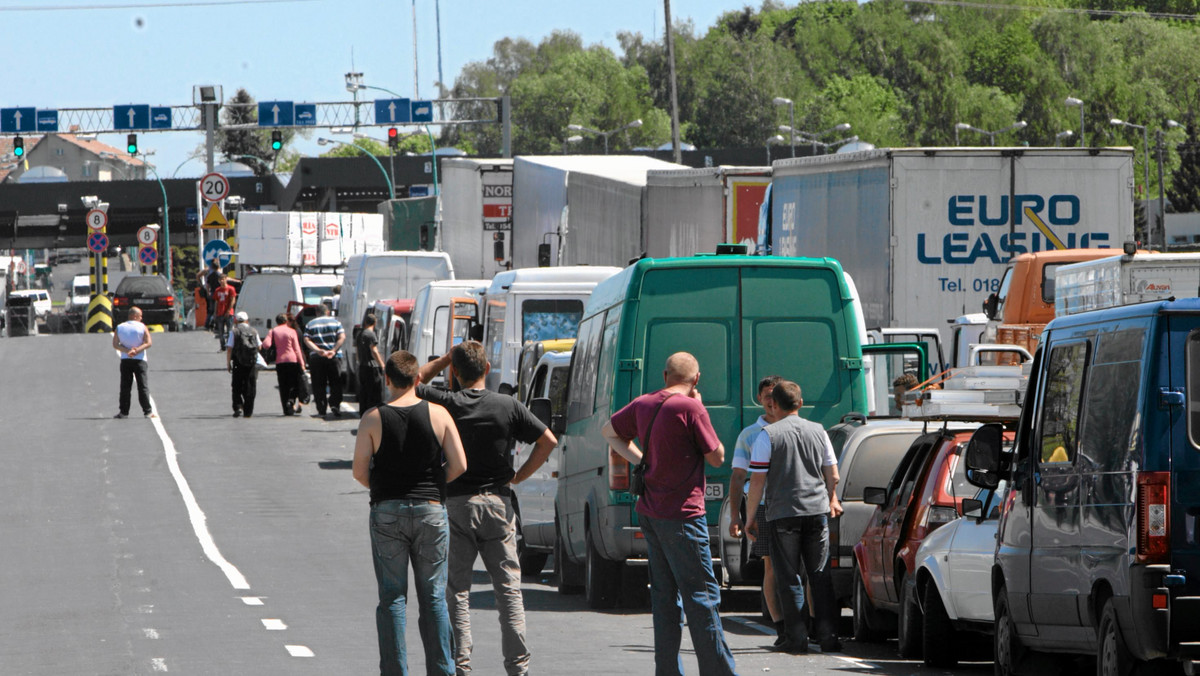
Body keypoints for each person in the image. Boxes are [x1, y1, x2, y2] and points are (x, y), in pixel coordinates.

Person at [417, 342, 557, 676]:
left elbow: (411, 380)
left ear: (455, 373)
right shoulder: (507, 405)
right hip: (498, 503)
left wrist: (447, 358)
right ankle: (518, 668)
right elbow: (547, 440)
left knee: (457, 592)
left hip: (456, 504)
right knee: (508, 590)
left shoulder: (447, 403)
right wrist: (518, 477)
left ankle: (460, 666)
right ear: (488, 369)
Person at [601, 352, 739, 676]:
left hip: (650, 512)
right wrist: (700, 406)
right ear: (696, 380)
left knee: (665, 600)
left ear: (665, 376)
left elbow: (610, 432)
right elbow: (717, 457)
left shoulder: (643, 403)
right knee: (702, 598)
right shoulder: (690, 407)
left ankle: (667, 671)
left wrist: (640, 462)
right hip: (684, 516)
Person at [353, 350, 468, 676]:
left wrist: (385, 488)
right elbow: (459, 464)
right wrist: (433, 486)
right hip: (431, 511)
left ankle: (395, 671)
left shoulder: (374, 418)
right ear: (418, 379)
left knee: (392, 597)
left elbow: (359, 472)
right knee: (433, 597)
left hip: (387, 511)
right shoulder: (439, 414)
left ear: (387, 379)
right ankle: (442, 670)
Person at [746, 380, 843, 655]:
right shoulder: (819, 431)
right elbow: (833, 474)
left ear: (773, 405)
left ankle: (797, 638)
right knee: (819, 576)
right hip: (817, 512)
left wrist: (751, 518)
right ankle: (828, 636)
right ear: (800, 404)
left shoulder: (767, 435)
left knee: (789, 578)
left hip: (783, 514)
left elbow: (757, 482)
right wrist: (830, 497)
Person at [728, 375, 785, 646]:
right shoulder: (750, 435)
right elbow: (738, 476)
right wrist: (736, 516)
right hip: (763, 508)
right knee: (771, 567)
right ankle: (781, 626)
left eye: (776, 394)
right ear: (760, 399)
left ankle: (806, 623)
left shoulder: (796, 427)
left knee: (802, 570)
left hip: (796, 507)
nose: (771, 400)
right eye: (766, 396)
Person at [303, 304, 346, 417]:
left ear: (317, 313)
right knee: (335, 382)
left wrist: (318, 350)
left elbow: (306, 339)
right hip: (334, 357)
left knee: (318, 384)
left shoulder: (310, 324)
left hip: (316, 358)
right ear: (327, 312)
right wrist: (334, 350)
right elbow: (342, 337)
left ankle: (321, 408)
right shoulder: (336, 322)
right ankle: (335, 404)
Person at [112, 306, 155, 419]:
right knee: (142, 386)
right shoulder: (142, 327)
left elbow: (115, 344)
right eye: (140, 316)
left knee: (125, 387)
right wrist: (137, 350)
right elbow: (148, 342)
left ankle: (124, 412)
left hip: (126, 360)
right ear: (134, 316)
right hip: (140, 360)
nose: (141, 318)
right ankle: (148, 411)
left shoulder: (120, 327)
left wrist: (127, 351)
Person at [262, 313, 307, 416]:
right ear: (286, 321)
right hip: (292, 360)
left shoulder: (273, 331)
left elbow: (266, 344)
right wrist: (302, 363)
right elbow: (297, 349)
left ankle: (286, 410)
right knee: (294, 383)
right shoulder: (292, 331)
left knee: (283, 385)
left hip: (280, 361)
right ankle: (291, 400)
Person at [226, 311, 261, 418]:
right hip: (251, 363)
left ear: (236, 320)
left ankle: (238, 406)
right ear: (247, 320)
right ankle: (248, 411)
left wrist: (228, 363)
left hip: (238, 362)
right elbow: (259, 347)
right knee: (250, 386)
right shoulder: (254, 331)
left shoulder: (234, 332)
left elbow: (229, 348)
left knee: (236, 385)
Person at [357, 312, 386, 415]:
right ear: (375, 322)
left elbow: (357, 351)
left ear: (365, 322)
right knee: (374, 392)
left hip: (362, 366)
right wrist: (382, 363)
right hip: (371, 367)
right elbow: (374, 350)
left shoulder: (360, 334)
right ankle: (373, 414)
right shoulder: (371, 335)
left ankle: (363, 413)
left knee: (363, 391)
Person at [212, 273, 237, 351]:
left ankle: (229, 346)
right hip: (220, 312)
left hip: (229, 313)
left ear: (226, 279)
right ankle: (222, 347)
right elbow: (216, 301)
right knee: (220, 331)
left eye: (223, 279)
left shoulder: (231, 289)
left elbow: (233, 300)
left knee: (229, 331)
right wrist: (215, 312)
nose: (222, 281)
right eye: (220, 280)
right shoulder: (217, 290)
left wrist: (229, 310)